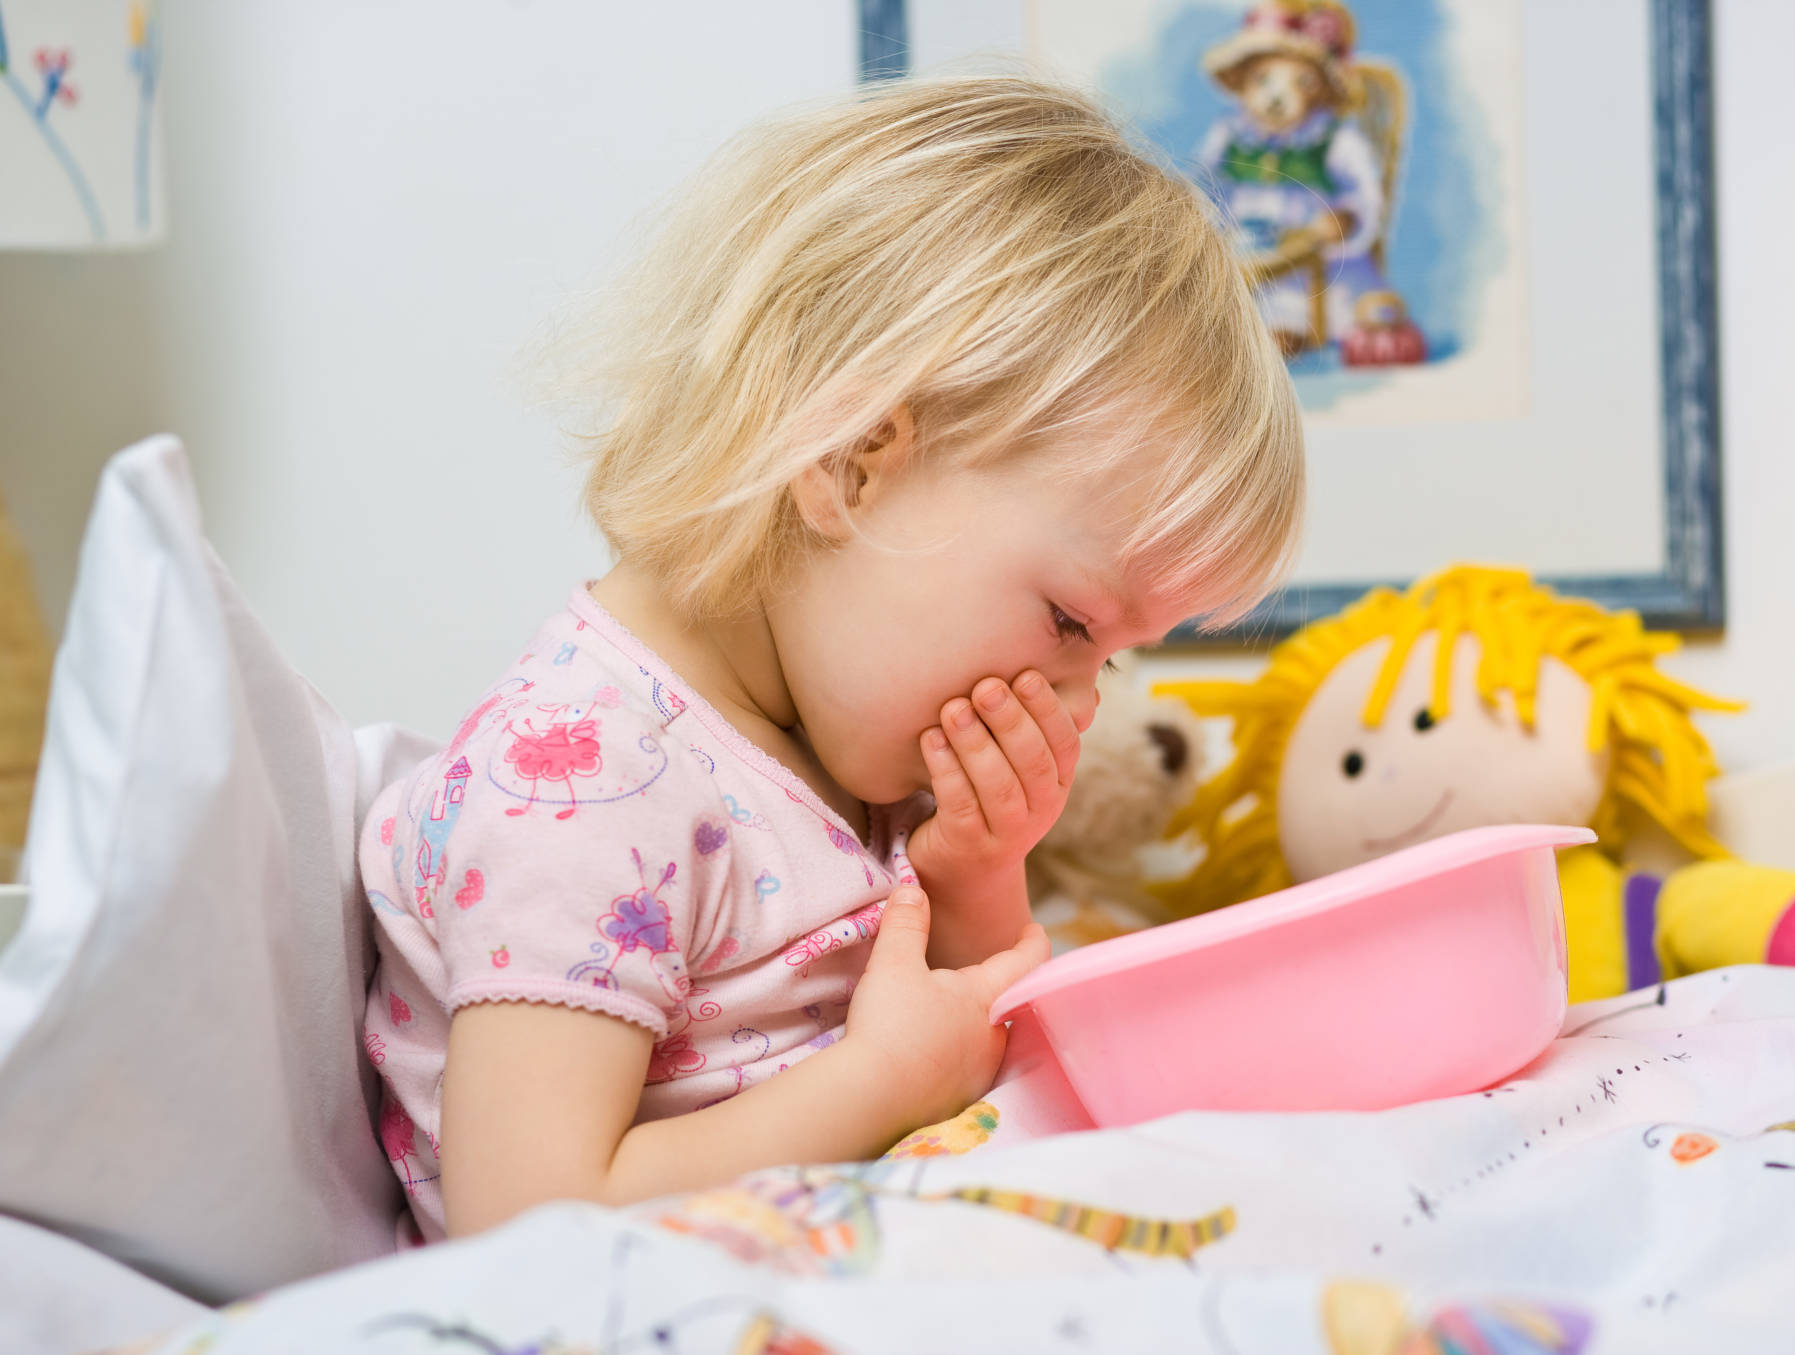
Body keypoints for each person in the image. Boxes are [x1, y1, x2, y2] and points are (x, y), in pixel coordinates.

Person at [359, 72, 1306, 1243]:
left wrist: (972, 878)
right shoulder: (583, 786)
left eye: (1106, 662)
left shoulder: (831, 744)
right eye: (1070, 622)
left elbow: (963, 1041)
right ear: (852, 460)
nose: (1075, 702)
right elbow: (527, 1217)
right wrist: (875, 1085)